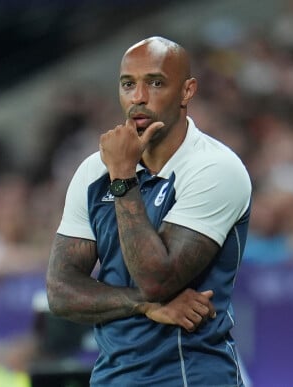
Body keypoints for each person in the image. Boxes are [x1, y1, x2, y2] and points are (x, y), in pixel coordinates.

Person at [46, 36, 252, 386]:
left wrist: (123, 176)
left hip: (190, 375)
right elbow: (61, 292)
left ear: (187, 91)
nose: (138, 98)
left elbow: (156, 279)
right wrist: (143, 305)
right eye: (128, 84)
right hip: (112, 377)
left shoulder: (215, 168)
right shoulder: (94, 172)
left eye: (155, 83)